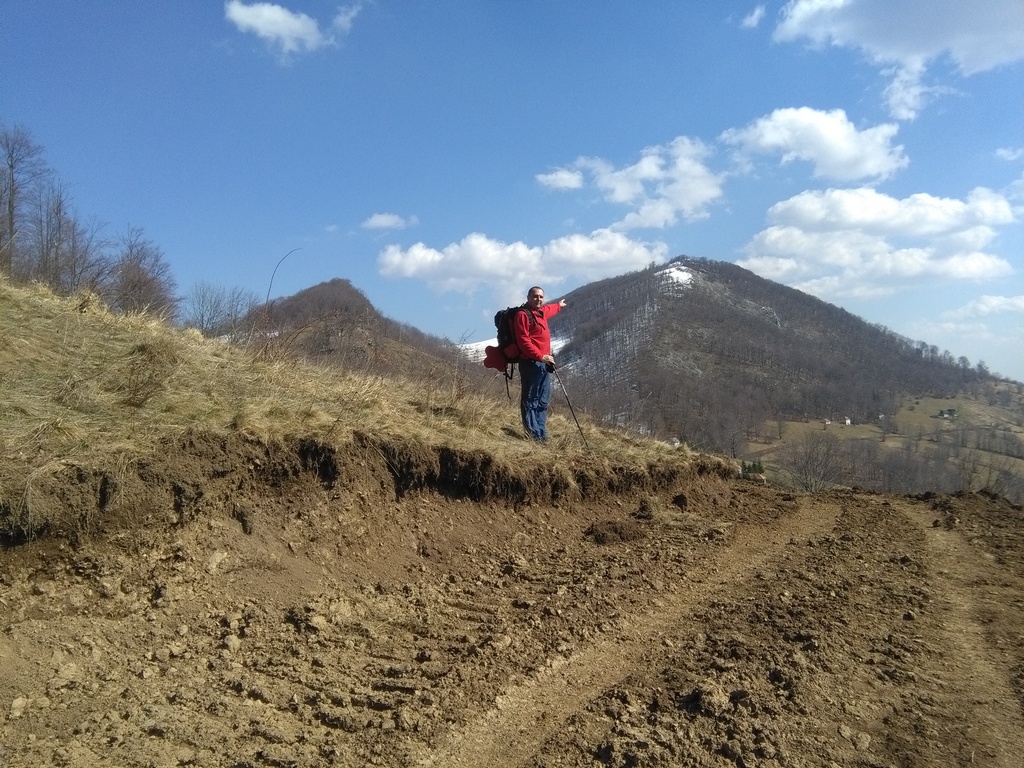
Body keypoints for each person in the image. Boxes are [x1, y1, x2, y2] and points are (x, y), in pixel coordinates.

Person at [511, 286, 566, 441]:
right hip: (531, 363)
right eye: (535, 296)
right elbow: (524, 342)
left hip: (544, 364)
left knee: (543, 400)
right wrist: (541, 356)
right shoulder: (522, 315)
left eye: (541, 297)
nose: (538, 299)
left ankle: (541, 434)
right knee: (531, 399)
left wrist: (559, 306)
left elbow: (549, 309)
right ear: (528, 297)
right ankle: (533, 435)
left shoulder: (540, 313)